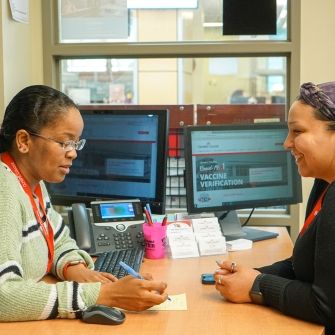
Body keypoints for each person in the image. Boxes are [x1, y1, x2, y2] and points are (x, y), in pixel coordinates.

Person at [0, 85, 168, 322]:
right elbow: (3, 297)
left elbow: (56, 240)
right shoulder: (4, 190)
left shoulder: (32, 181)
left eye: (76, 144)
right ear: (24, 141)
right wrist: (103, 294)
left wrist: (75, 269)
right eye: (64, 142)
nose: (73, 154)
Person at [214, 81, 335, 334]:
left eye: (297, 132)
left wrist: (256, 285)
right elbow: (302, 265)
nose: (286, 143)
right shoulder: (324, 184)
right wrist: (247, 274)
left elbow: (325, 306)